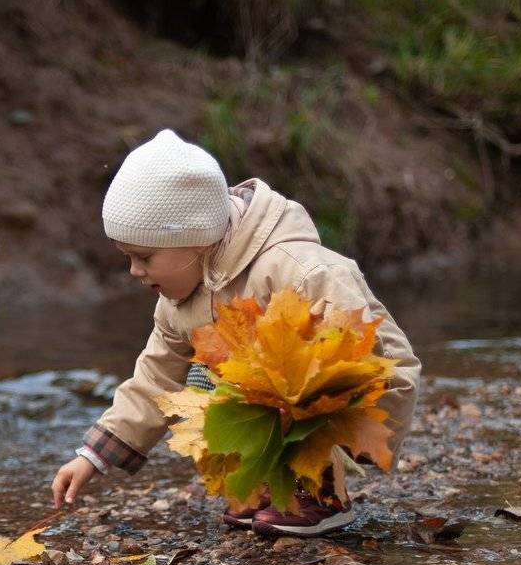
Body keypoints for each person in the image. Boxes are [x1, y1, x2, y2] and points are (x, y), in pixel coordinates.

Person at [49, 128, 421, 537]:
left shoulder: (298, 269)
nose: (134, 271)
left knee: (275, 375)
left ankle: (319, 491)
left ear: (195, 240)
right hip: (277, 390)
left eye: (144, 257)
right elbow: (155, 379)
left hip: (365, 383)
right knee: (201, 378)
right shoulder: (180, 301)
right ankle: (266, 483)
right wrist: (94, 456)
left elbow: (358, 352)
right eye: (128, 258)